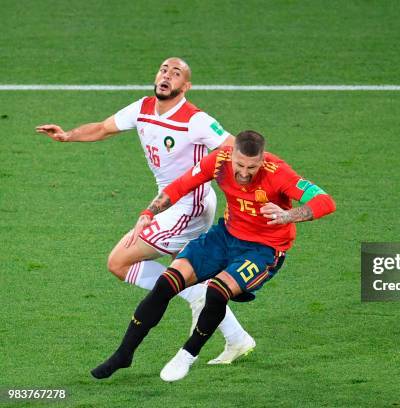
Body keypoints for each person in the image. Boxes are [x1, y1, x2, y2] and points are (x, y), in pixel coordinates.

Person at [35, 57, 255, 364]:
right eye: (164, 70)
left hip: (189, 206)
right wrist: (67, 135)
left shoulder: (195, 120)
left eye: (176, 73)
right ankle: (237, 338)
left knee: (119, 261)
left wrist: (240, 189)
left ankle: (197, 296)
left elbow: (234, 148)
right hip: (169, 202)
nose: (167, 76)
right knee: (186, 269)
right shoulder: (142, 108)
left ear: (186, 86)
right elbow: (102, 128)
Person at [91, 130, 336, 381]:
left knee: (217, 291)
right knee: (166, 283)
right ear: (232, 156)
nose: (244, 172)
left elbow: (325, 201)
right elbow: (181, 185)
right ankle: (124, 354)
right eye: (240, 164)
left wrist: (288, 215)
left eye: (252, 166)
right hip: (226, 236)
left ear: (262, 160)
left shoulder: (279, 172)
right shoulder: (219, 160)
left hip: (264, 249)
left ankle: (187, 354)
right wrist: (148, 213)